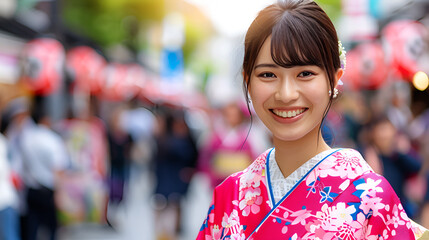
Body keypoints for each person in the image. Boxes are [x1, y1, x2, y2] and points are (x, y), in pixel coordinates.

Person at [196, 1, 429, 239]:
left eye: (305, 74)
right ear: (247, 81)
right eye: (268, 74)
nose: (286, 94)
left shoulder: (373, 198)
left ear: (334, 79)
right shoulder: (229, 196)